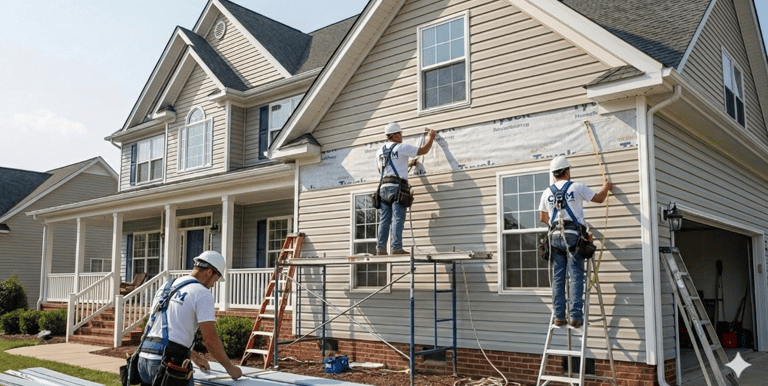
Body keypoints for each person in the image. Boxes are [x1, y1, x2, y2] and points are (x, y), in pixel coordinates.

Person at [137, 250, 242, 385]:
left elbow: (170, 333)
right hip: (168, 365)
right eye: (215, 280)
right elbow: (210, 339)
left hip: (144, 360)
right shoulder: (202, 293)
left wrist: (196, 358)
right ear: (209, 272)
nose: (213, 285)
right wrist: (230, 368)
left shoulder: (167, 286)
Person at [538, 156, 612, 328]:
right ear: (566, 171)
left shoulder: (547, 192)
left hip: (554, 238)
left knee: (558, 278)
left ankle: (559, 316)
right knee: (576, 276)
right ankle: (576, 317)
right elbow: (600, 198)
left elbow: (543, 218)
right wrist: (606, 188)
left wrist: (558, 221)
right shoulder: (577, 187)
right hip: (573, 238)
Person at [375, 122, 436, 255]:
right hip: (397, 188)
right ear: (395, 135)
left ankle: (380, 249)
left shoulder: (379, 151)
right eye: (400, 134)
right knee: (398, 217)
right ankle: (396, 247)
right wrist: (431, 137)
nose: (401, 136)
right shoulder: (401, 147)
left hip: (383, 188)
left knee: (385, 219)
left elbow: (382, 169)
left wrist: (407, 165)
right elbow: (423, 150)